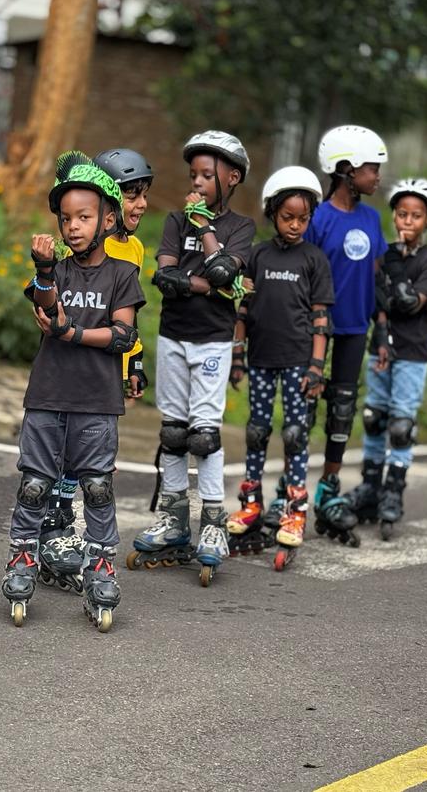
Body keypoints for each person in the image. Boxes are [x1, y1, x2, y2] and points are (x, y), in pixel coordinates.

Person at [1, 151, 145, 632]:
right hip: (46, 396)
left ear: (108, 218)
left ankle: (101, 568)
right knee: (35, 484)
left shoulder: (122, 275)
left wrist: (74, 334)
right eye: (66, 219)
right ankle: (22, 560)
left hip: (97, 402)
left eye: (84, 217)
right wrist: (43, 271)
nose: (73, 227)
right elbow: (45, 310)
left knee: (98, 489)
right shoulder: (57, 272)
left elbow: (122, 336)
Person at [128, 130, 255, 588]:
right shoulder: (174, 220)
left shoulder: (240, 228)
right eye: (193, 174)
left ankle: (215, 524)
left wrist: (203, 233)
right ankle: (175, 517)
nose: (197, 182)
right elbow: (165, 273)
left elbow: (224, 271)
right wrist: (196, 278)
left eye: (208, 174)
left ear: (232, 177)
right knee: (174, 430)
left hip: (213, 340)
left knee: (204, 433)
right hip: (175, 335)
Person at [37, 147, 153, 592]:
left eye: (142, 195)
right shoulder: (76, 249)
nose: (138, 205)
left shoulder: (133, 250)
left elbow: (126, 320)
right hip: (67, 368)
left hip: (104, 367)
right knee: (61, 454)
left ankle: (76, 533)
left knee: (95, 464)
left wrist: (134, 361)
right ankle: (56, 528)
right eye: (129, 195)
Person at [226, 167, 333, 571]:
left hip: (297, 361)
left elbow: (321, 318)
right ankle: (251, 503)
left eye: (302, 218)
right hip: (261, 358)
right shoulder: (257, 254)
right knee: (256, 429)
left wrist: (317, 367)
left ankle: (293, 508)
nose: (294, 225)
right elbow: (242, 309)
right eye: (287, 217)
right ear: (273, 213)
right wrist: (238, 356)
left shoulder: (314, 259)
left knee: (294, 433)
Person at [346, 178, 427, 540]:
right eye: (402, 214)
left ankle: (393, 493)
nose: (407, 221)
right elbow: (376, 301)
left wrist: (394, 265)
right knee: (374, 417)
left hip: (413, 353)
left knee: (401, 425)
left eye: (416, 216)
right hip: (381, 348)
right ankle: (371, 487)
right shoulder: (382, 255)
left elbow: (407, 301)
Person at [304, 125, 389, 548]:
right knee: (305, 407)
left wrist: (383, 331)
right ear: (345, 170)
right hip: (316, 327)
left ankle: (329, 489)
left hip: (357, 326)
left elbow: (377, 276)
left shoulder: (373, 219)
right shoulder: (317, 218)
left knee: (342, 408)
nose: (378, 176)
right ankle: (292, 490)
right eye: (372, 168)